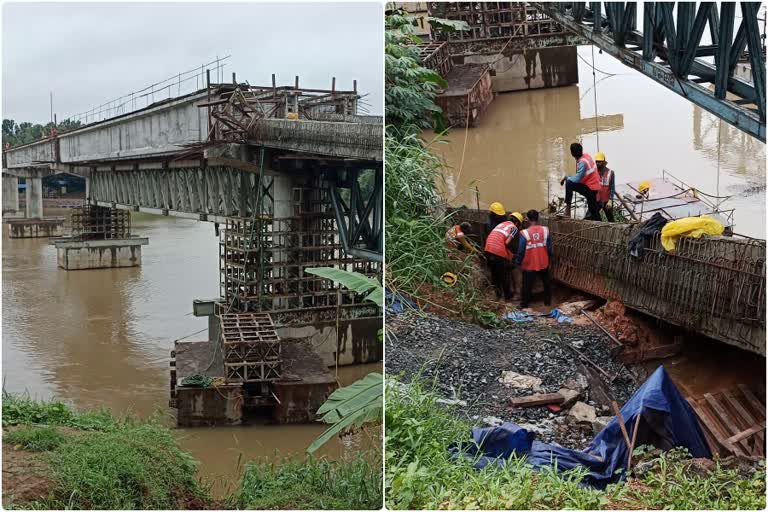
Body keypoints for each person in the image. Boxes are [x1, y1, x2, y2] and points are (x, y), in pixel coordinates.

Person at [516, 209, 552, 308]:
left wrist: (518, 262)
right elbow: (549, 248)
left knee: (527, 285)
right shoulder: (545, 230)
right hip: (543, 262)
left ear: (527, 219)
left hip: (530, 264)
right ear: (537, 218)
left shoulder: (524, 233)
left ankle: (524, 304)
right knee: (546, 282)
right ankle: (547, 302)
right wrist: (549, 258)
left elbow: (521, 250)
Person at [560, 142, 601, 220]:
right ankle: (601, 224)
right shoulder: (586, 156)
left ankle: (567, 210)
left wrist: (566, 177)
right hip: (594, 186)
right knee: (593, 209)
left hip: (591, 188)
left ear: (572, 153)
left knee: (569, 183)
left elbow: (577, 179)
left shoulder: (582, 162)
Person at [484, 214, 518, 300]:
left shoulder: (501, 224)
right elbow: (507, 243)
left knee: (494, 274)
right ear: (517, 222)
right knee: (504, 275)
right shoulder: (514, 228)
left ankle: (497, 295)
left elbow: (499, 239)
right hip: (497, 252)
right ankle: (507, 295)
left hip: (487, 249)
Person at [595, 152, 615, 222]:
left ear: (603, 162)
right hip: (597, 200)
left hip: (607, 201)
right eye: (596, 161)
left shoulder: (610, 172)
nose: (597, 163)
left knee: (610, 219)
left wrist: (611, 199)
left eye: (599, 162)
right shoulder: (594, 172)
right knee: (591, 216)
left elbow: (612, 187)